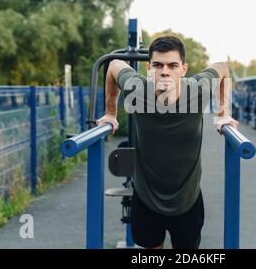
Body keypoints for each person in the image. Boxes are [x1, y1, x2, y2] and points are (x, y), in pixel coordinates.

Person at [97, 35, 238, 249]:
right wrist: (110, 113)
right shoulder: (138, 89)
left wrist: (223, 113)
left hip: (187, 199)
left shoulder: (197, 89)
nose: (165, 71)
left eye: (172, 65)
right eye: (158, 65)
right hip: (146, 197)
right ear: (148, 69)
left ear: (183, 69)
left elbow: (222, 68)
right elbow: (114, 65)